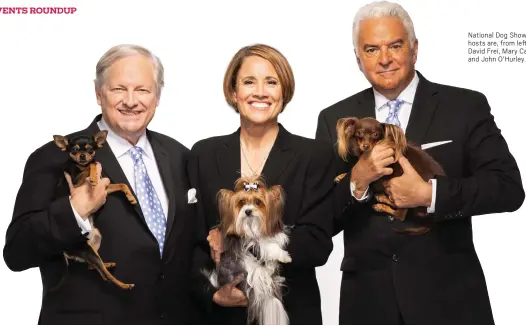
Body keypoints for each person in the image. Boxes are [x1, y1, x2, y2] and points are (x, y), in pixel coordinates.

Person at [315, 1, 524, 324]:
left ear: (414, 48)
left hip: (449, 298)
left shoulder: (465, 106)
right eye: (371, 49)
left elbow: (508, 189)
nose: (384, 59)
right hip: (368, 304)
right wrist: (357, 181)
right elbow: (319, 217)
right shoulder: (334, 120)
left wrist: (430, 195)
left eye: (395, 46)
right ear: (358, 59)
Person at [3, 44, 198, 324]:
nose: (131, 101)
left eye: (143, 90)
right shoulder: (53, 157)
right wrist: (74, 212)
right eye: (119, 89)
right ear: (98, 94)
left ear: (157, 96)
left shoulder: (181, 156)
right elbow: (17, 252)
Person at [189, 44, 335, 324]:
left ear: (284, 91)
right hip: (222, 316)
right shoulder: (203, 155)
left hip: (291, 312)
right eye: (248, 82)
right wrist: (212, 293)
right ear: (233, 92)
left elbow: (316, 244)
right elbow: (189, 241)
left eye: (271, 81)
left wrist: (237, 238)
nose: (260, 92)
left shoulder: (315, 156)